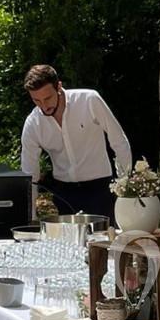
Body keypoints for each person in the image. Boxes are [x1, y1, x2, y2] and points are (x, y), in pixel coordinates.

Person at [19, 64, 131, 219]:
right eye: (36, 100)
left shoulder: (89, 100)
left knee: (103, 241)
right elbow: (29, 174)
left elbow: (119, 141)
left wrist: (124, 189)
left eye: (47, 98)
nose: (44, 106)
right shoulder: (33, 124)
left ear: (59, 86)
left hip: (100, 189)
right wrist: (30, 218)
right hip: (64, 194)